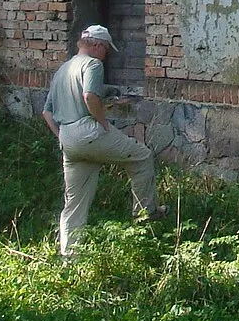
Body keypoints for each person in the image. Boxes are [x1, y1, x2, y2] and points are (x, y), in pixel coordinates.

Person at [42, 23, 165, 254]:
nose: (106, 55)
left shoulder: (63, 69)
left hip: (68, 138)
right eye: (106, 50)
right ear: (97, 45)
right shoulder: (93, 64)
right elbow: (89, 95)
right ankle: (145, 215)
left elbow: (46, 112)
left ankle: (69, 258)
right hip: (89, 130)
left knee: (74, 205)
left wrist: (62, 137)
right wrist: (102, 122)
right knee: (142, 157)